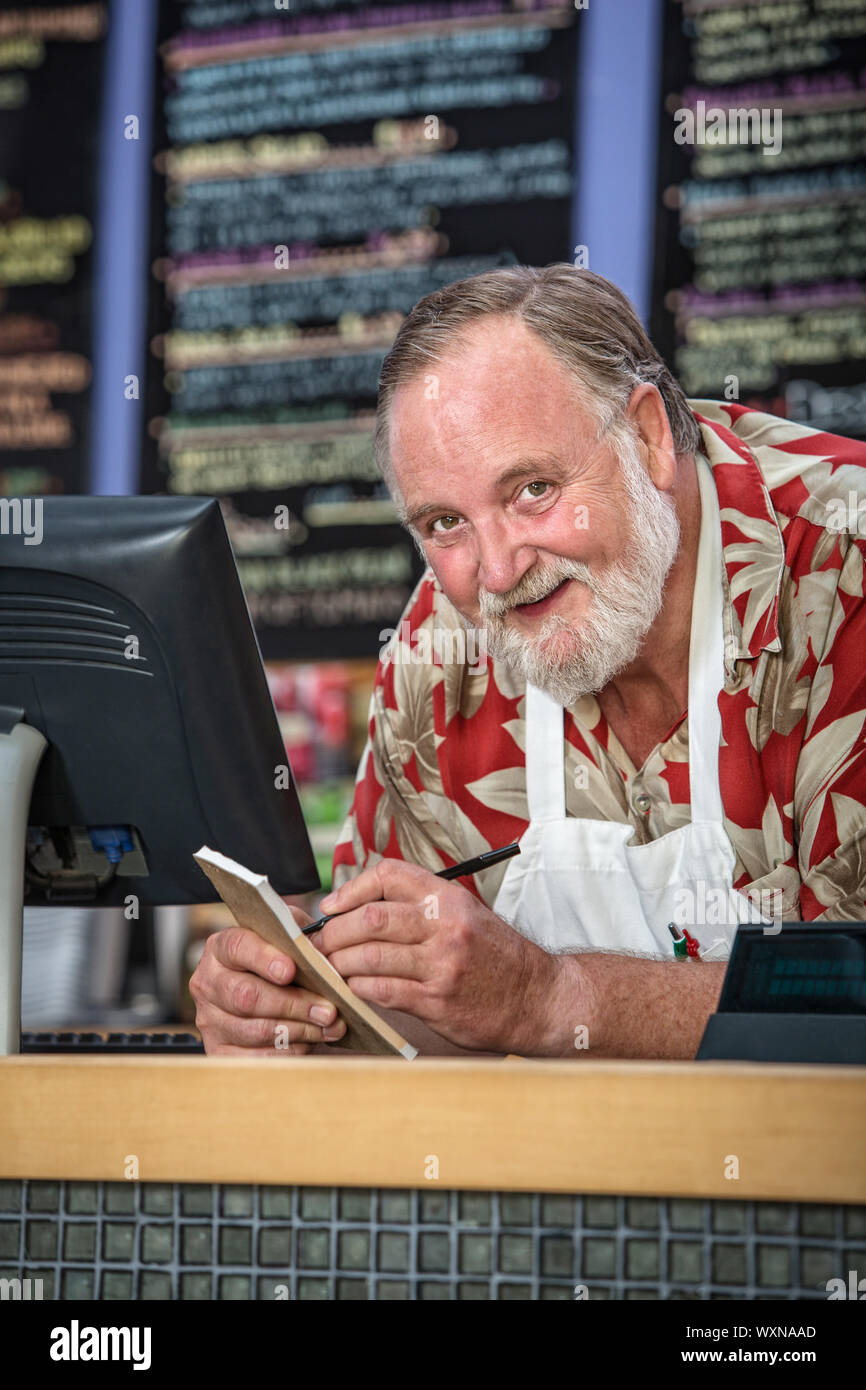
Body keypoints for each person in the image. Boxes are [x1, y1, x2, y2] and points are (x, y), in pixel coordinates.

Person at [191, 265, 866, 1060]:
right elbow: (410, 1011)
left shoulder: (843, 570)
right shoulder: (441, 653)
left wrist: (555, 998)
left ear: (648, 436)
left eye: (533, 490)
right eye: (446, 522)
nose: (501, 573)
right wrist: (301, 1014)